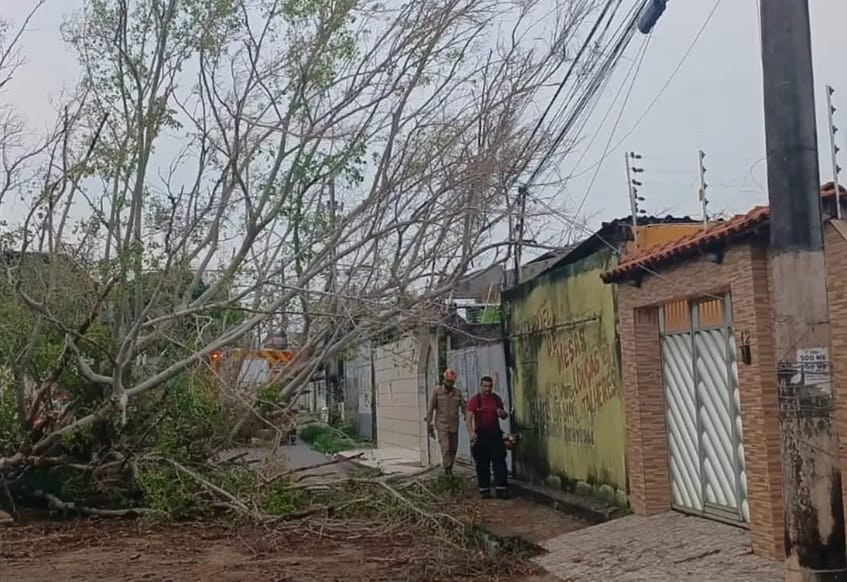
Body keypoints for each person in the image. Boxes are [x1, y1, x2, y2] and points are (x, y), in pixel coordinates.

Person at [466, 375, 509, 499]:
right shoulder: (475, 400)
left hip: (495, 434)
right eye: (485, 386)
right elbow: (468, 418)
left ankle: (501, 489)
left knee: (500, 462)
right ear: (481, 386)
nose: (487, 389)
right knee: (482, 464)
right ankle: (484, 489)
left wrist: (502, 413)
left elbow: (504, 415)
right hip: (481, 434)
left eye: (489, 386)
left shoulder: (496, 399)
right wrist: (471, 433)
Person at [425, 368, 466, 476]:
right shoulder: (437, 392)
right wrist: (429, 424)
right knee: (445, 446)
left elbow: (464, 406)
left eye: (451, 381)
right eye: (448, 381)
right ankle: (447, 468)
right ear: (444, 380)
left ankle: (450, 466)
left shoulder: (457, 393)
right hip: (442, 424)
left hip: (454, 425)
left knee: (453, 448)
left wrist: (467, 416)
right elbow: (431, 409)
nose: (449, 383)